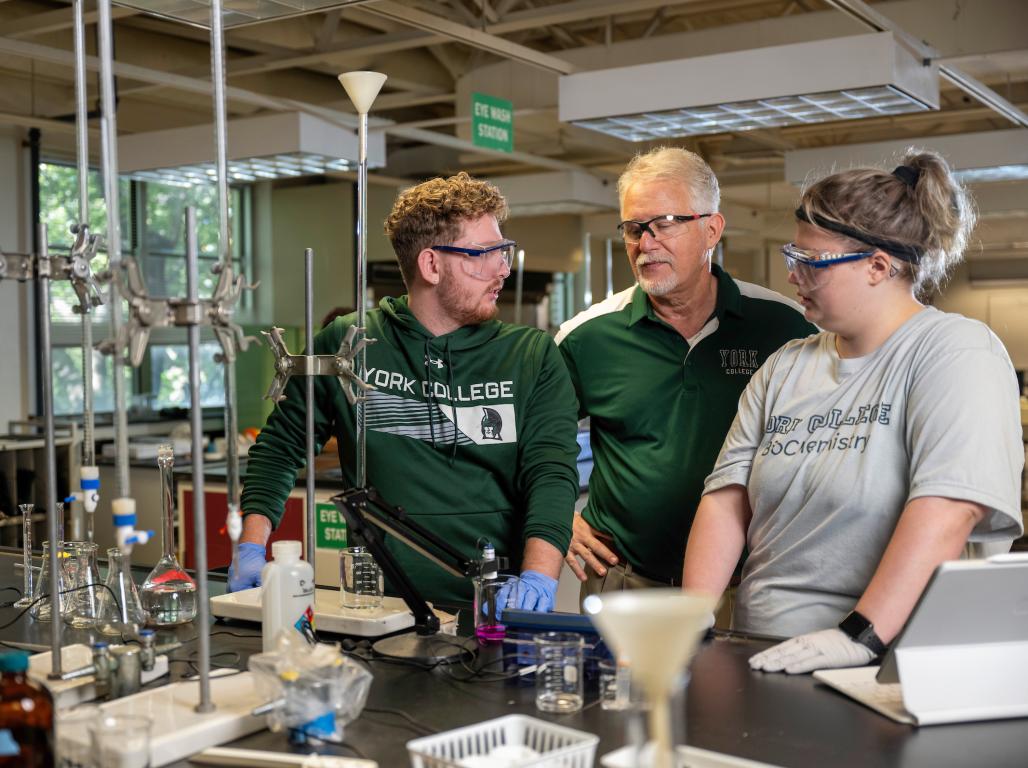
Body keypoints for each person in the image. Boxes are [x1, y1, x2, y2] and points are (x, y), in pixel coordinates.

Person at [682, 151, 1024, 674]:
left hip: (889, 658)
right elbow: (728, 499)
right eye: (792, 255)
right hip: (763, 648)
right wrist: (692, 617)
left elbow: (951, 507)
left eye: (811, 262)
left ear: (878, 266)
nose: (792, 275)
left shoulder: (954, 351)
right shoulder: (785, 367)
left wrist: (862, 633)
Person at [231, 172, 580, 610]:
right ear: (431, 265)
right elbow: (282, 448)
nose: (502, 269)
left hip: (492, 607)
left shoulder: (531, 355)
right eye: (481, 254)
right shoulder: (348, 345)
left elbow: (552, 474)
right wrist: (251, 544)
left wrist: (538, 578)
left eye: (502, 251)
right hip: (380, 608)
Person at [556, 147, 815, 599]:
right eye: (633, 228)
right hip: (625, 579)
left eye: (665, 223)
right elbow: (525, 442)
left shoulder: (785, 326)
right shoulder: (588, 336)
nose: (646, 242)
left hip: (748, 583)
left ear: (712, 228)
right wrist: (558, 513)